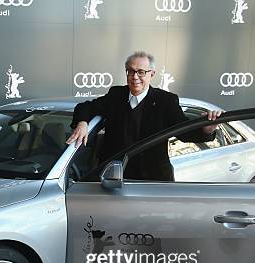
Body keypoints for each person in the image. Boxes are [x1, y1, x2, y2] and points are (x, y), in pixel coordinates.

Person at [67, 51, 222, 181]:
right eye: (131, 71)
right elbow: (85, 107)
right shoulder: (116, 95)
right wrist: (82, 123)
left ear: (152, 74)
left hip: (153, 181)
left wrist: (206, 130)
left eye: (141, 72)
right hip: (115, 180)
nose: (135, 77)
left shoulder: (165, 101)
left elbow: (184, 131)